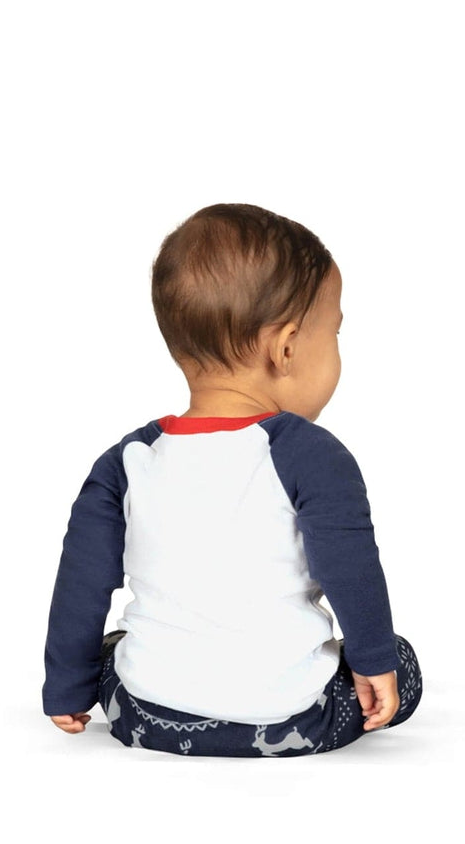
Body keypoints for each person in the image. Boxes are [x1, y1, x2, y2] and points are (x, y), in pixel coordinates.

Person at [41, 202, 422, 757]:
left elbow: (82, 582)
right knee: (399, 661)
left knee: (113, 647)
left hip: (145, 718)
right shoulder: (312, 454)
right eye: (335, 332)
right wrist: (375, 659)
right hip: (291, 722)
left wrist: (66, 687)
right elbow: (350, 568)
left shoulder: (127, 460)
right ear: (287, 348)